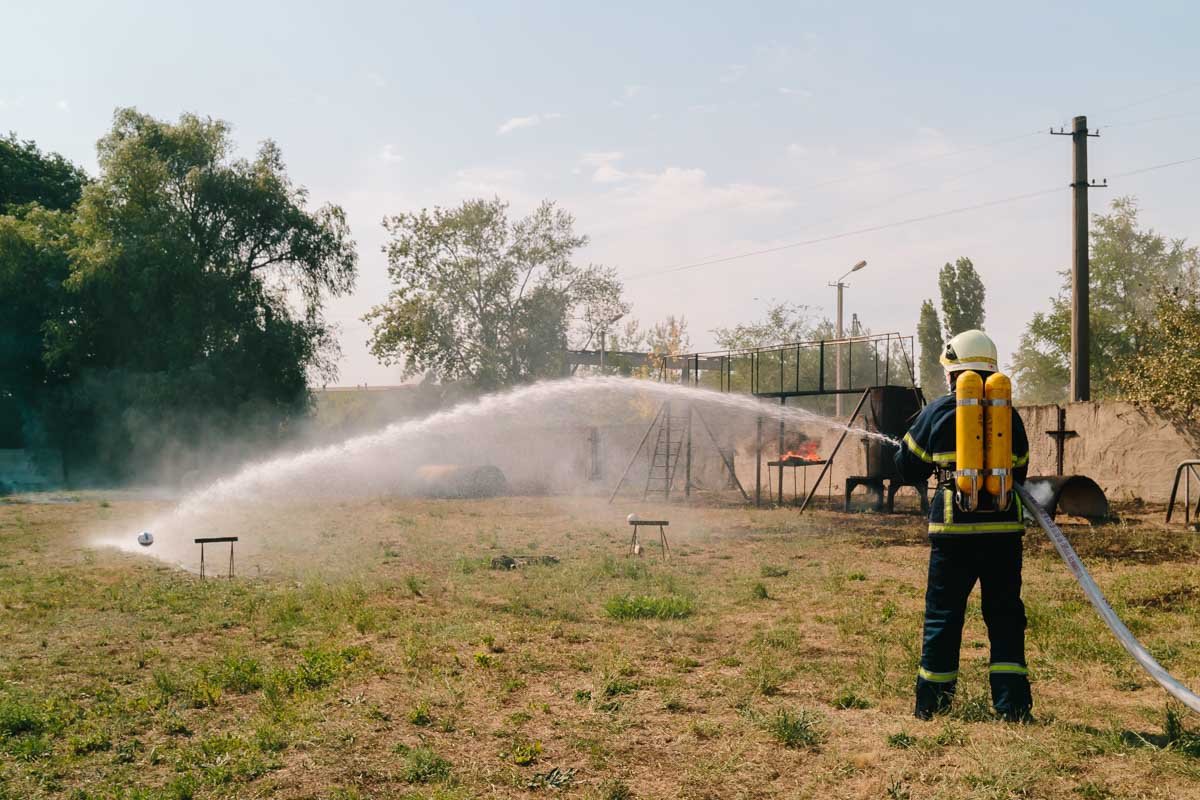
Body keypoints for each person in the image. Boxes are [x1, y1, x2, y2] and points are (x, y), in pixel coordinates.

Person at [894, 329, 1032, 721]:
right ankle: (1012, 707)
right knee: (1005, 616)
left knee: (944, 615)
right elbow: (1020, 472)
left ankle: (933, 706)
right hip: (1004, 533)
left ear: (954, 371)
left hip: (953, 532)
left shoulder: (937, 411)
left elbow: (907, 468)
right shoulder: (1011, 416)